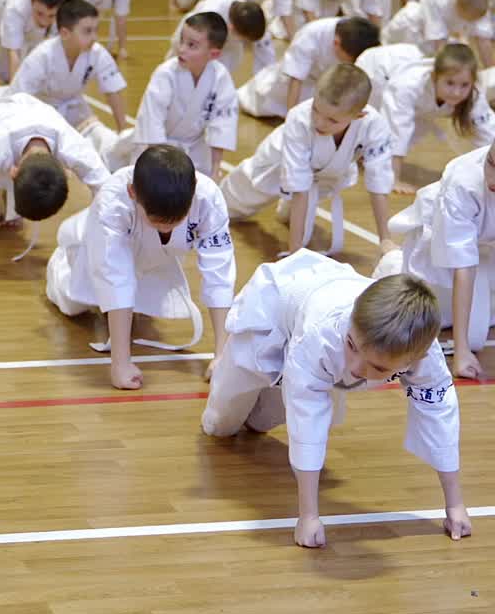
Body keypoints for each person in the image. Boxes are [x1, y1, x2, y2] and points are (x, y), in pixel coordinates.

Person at [201, 253, 467, 549]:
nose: (356, 369)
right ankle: (235, 366)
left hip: (317, 334)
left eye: (377, 367)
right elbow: (306, 422)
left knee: (260, 424)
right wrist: (308, 516)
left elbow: (439, 413)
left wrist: (455, 505)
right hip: (276, 304)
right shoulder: (321, 336)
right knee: (219, 425)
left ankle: (281, 381)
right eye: (352, 346)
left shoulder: (424, 353)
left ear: (414, 357)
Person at [46, 144, 235, 391]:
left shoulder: (208, 197)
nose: (168, 227)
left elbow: (219, 272)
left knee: (140, 303)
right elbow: (114, 277)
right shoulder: (113, 201)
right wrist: (120, 363)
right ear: (132, 192)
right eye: (158, 220)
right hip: (88, 239)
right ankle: (58, 264)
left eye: (177, 220)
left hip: (154, 255)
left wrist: (223, 355)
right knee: (75, 303)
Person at [222, 63, 394, 256]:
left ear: (359, 115)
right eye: (315, 110)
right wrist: (295, 250)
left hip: (324, 174)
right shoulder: (299, 119)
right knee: (226, 209)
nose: (319, 122)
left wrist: (385, 239)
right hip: (274, 163)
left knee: (292, 215)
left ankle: (286, 209)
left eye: (332, 120)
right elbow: (299, 185)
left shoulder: (374, 125)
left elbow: (379, 182)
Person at [0, 91, 110, 279]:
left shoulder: (73, 147)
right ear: (13, 171)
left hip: (37, 111)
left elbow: (106, 188)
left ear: (66, 172)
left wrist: (100, 243)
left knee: (11, 214)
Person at [375, 141, 495, 379]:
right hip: (437, 234)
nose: (492, 178)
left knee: (481, 321)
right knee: (457, 331)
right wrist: (461, 351)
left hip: (487, 242)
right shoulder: (463, 181)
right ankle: (392, 262)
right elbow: (464, 266)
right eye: (491, 163)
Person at [109, 10, 237, 179]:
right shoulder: (165, 74)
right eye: (181, 40)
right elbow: (152, 123)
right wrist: (160, 168)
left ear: (213, 54)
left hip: (195, 152)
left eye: (192, 45)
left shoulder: (221, 78)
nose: (181, 49)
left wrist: (215, 170)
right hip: (155, 151)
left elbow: (222, 126)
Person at [10, 0, 127, 151]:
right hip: (42, 111)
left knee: (104, 139)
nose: (94, 37)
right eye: (87, 31)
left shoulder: (97, 53)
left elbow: (113, 91)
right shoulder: (42, 56)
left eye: (95, 30)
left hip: (76, 111)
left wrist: (123, 132)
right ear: (65, 33)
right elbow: (18, 98)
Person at [381, 43, 495, 193]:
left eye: (464, 85)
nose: (456, 92)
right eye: (450, 83)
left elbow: (489, 133)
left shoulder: (474, 95)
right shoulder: (407, 86)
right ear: (434, 77)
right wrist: (394, 180)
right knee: (379, 137)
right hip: (379, 75)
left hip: (418, 106)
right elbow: (397, 132)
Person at [237, 15, 380, 119]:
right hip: (297, 83)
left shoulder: (356, 34)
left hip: (327, 83)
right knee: (256, 103)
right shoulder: (311, 35)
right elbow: (296, 77)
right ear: (336, 43)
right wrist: (291, 120)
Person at [383, 0, 492, 63]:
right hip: (409, 31)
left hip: (435, 40)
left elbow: (484, 40)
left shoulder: (478, 0)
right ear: (457, 8)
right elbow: (439, 45)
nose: (472, 22)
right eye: (470, 19)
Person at [169, 0, 272, 76]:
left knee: (221, 76)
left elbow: (266, 57)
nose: (246, 43)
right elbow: (186, 45)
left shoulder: (251, 19)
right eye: (245, 40)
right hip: (191, 41)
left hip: (224, 44)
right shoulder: (209, 15)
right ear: (232, 28)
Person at [0, 0, 64, 82]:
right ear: (32, 1)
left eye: (51, 16)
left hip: (28, 1)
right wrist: (17, 95)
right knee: (3, 68)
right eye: (40, 13)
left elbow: (53, 49)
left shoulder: (62, 11)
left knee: (34, 62)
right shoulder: (14, 9)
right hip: (5, 2)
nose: (44, 22)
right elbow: (14, 52)